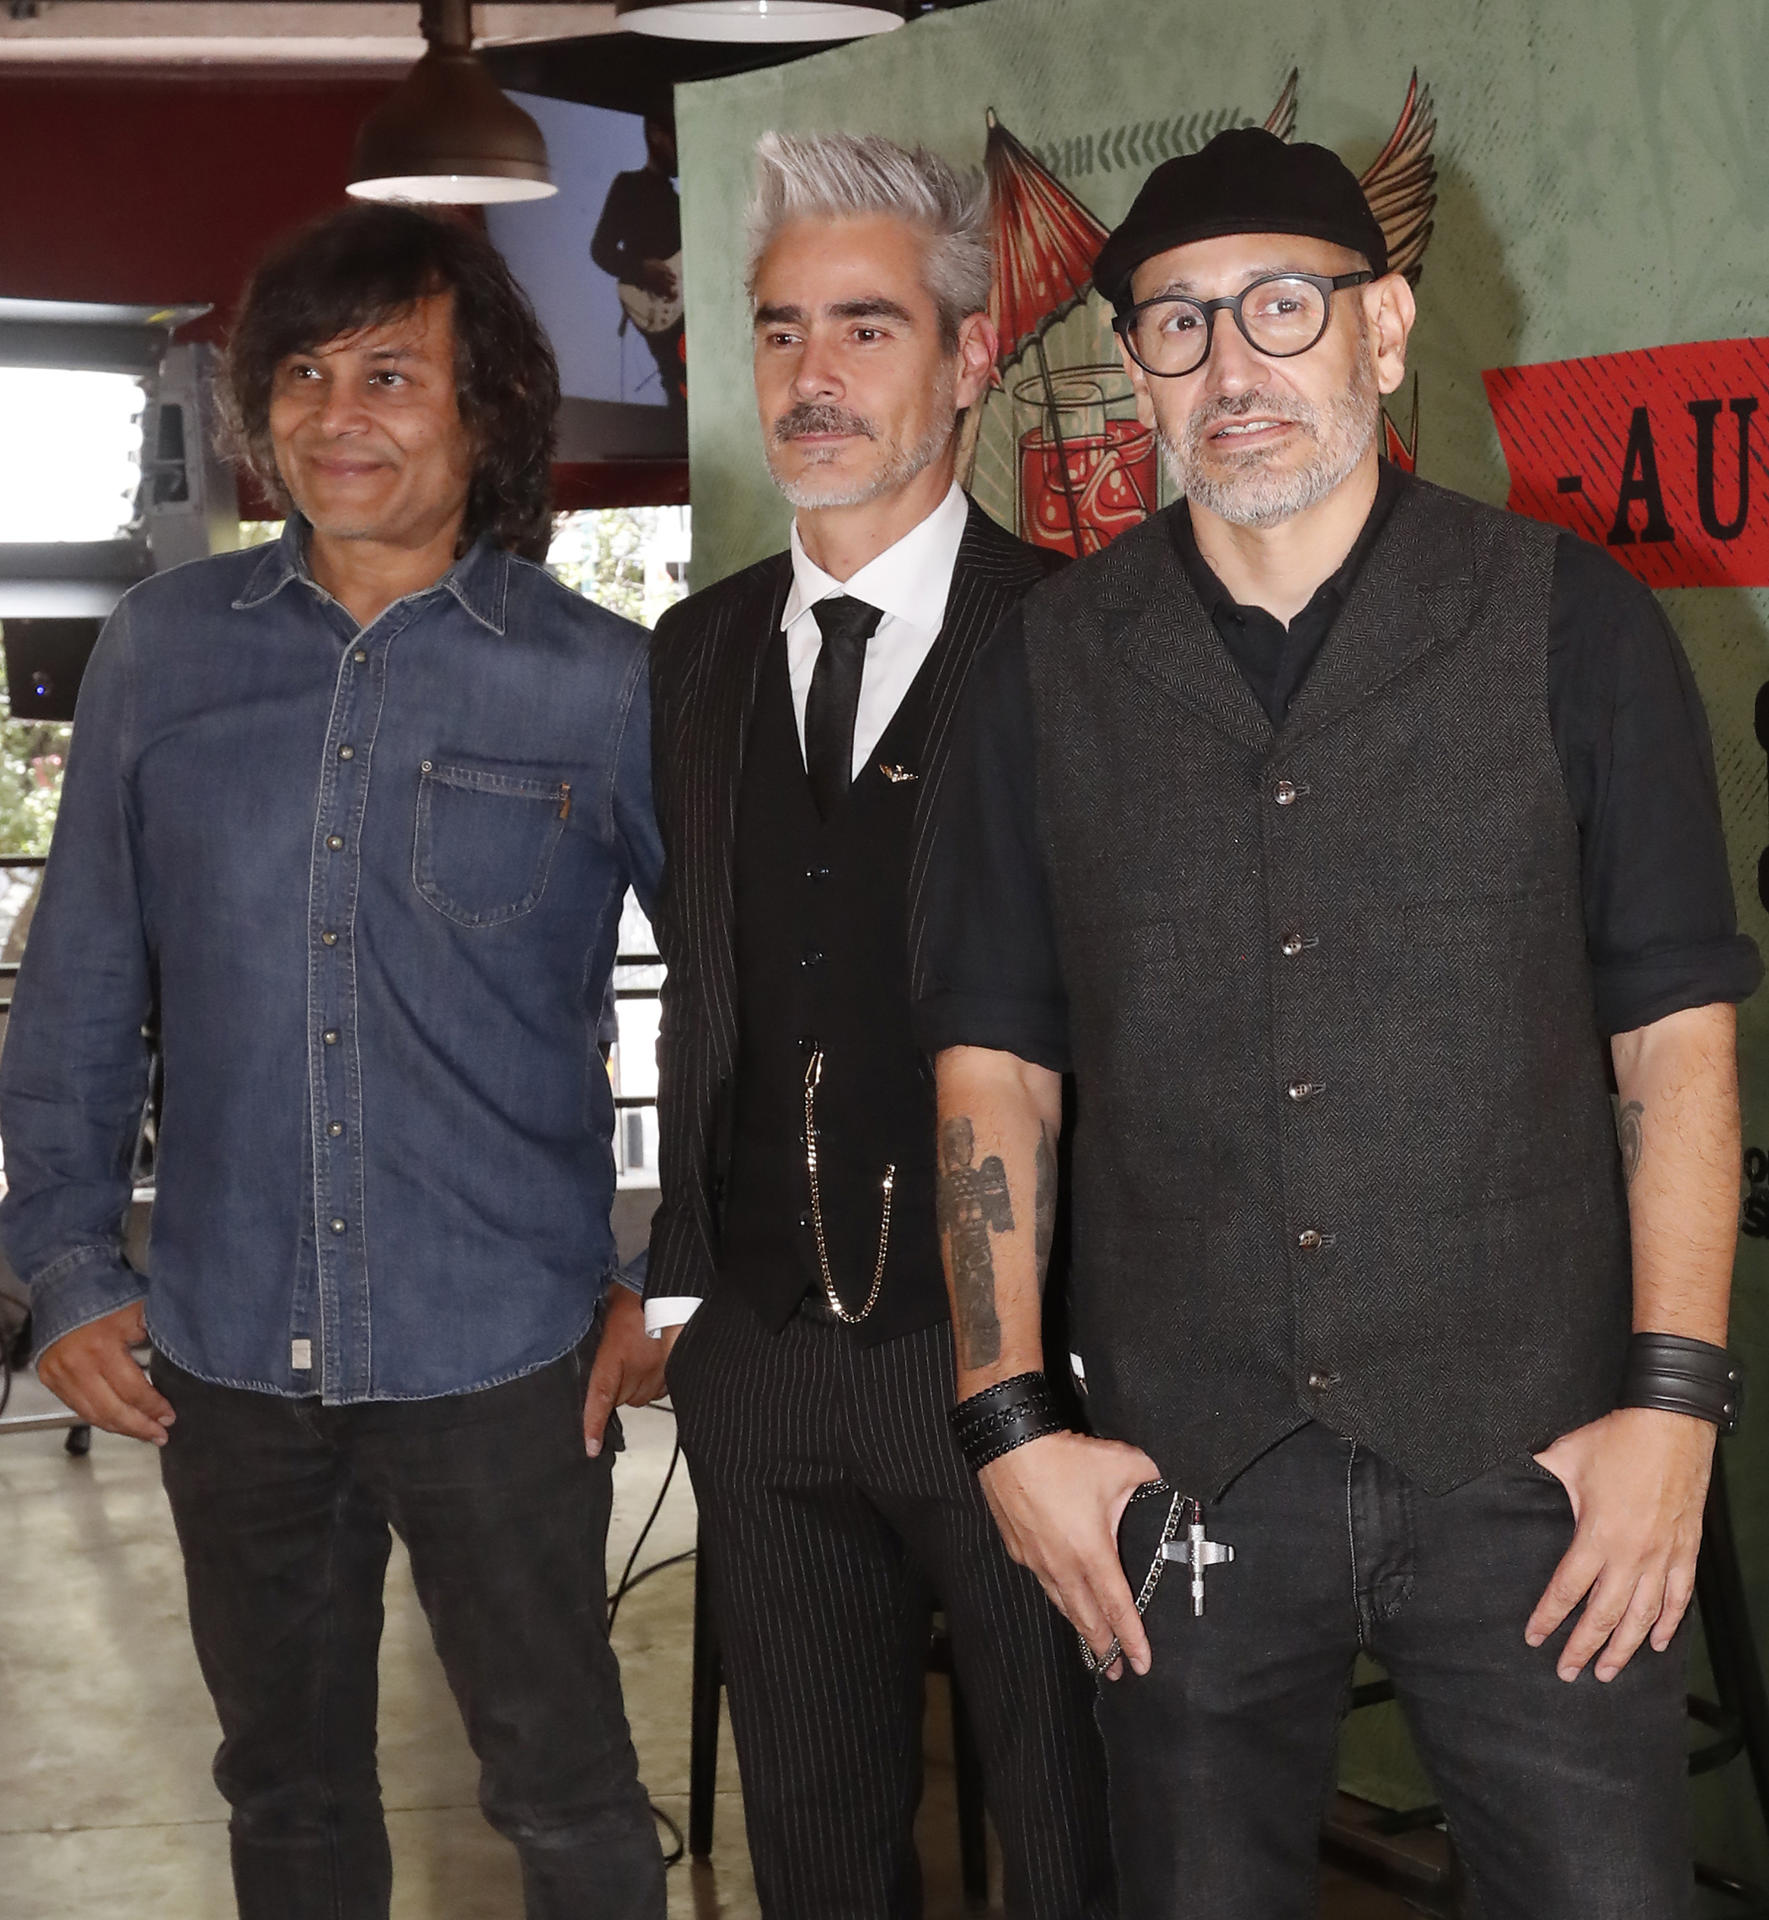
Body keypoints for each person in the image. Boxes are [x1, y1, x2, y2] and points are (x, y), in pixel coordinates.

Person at [915, 125, 1759, 1919]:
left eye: (1281, 310)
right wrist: (1006, 1427)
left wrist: (1669, 1411)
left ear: (1379, 335)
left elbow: (1671, 1041)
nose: (1232, 367)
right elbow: (995, 1067)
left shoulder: (1567, 627)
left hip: (1531, 1471)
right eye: (1177, 324)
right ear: (1130, 366)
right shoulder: (1043, 676)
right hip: (1184, 1488)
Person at [0, 203, 668, 1920]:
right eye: (301, 373)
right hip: (223, 1351)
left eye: (390, 373)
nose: (335, 414)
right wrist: (68, 1266)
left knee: (565, 1794)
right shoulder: (164, 653)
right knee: (285, 1796)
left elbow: (737, 997)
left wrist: (664, 1285)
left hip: (503, 1354)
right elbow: (74, 983)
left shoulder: (605, 689)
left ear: (491, 415)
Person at [646, 132, 1114, 1919]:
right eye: (777, 333)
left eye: (861, 328)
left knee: (1077, 1854)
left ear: (967, 358)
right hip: (760, 1374)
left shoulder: (1075, 642)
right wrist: (680, 1289)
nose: (811, 378)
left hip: (1019, 1370)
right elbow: (708, 988)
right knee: (819, 1868)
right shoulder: (688, 657)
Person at [590, 112, 687, 419]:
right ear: (657, 135)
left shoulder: (679, 201)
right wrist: (641, 269)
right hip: (656, 304)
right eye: (678, 140)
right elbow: (600, 249)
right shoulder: (629, 185)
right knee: (678, 381)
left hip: (683, 305)